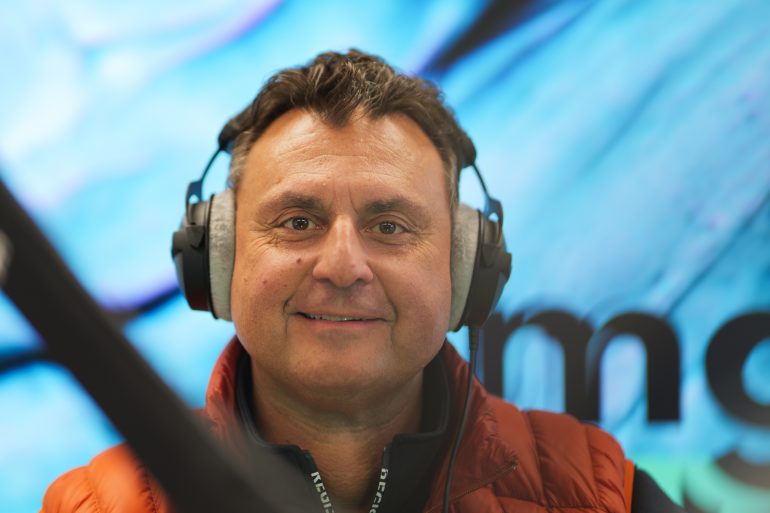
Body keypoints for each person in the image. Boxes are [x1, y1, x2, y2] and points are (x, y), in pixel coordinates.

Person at [42, 49, 683, 513]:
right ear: (220, 256)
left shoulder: (600, 491)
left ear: (465, 266)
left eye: (390, 226)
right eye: (298, 222)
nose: (343, 267)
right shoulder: (96, 504)